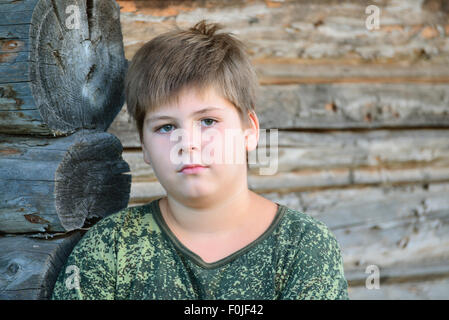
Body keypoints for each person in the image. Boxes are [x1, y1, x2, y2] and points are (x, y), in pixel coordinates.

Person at [51, 20, 349, 300]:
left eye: (207, 121)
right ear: (143, 145)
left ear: (249, 131)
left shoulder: (303, 246)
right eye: (166, 127)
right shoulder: (111, 246)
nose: (188, 144)